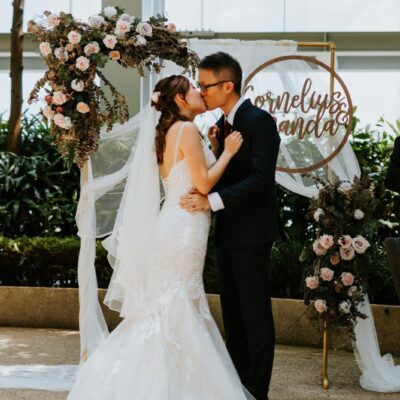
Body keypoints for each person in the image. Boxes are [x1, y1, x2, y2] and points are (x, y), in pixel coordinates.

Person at [67, 75, 256, 399]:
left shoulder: (171, 132)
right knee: (177, 302)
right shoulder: (185, 130)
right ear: (181, 100)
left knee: (171, 303)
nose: (200, 92)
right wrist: (227, 152)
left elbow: (188, 174)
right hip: (184, 227)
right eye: (194, 89)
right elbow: (204, 184)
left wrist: (211, 148)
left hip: (176, 222)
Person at [180, 52, 281, 400]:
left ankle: (257, 391)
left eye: (205, 85)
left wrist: (212, 201)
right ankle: (237, 387)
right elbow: (227, 173)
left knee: (254, 317)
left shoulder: (260, 121)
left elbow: (260, 181)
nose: (201, 91)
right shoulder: (221, 126)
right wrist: (215, 147)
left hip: (252, 233)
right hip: (226, 233)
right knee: (233, 316)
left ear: (228, 85)